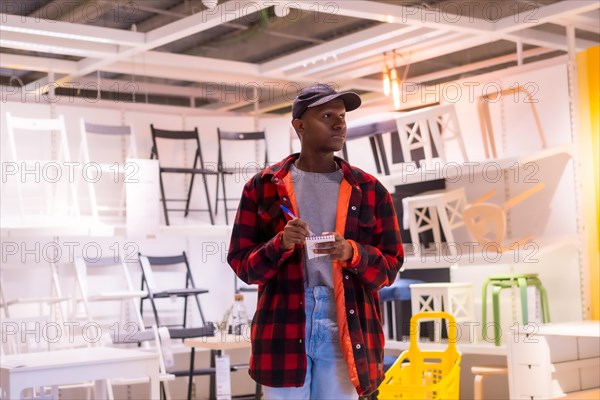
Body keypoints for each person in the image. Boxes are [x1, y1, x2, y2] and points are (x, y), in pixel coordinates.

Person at [227, 83, 404, 399]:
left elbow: (390, 267)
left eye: (341, 116)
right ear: (300, 125)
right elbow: (242, 264)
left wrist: (352, 251)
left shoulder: (371, 191)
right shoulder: (264, 187)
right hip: (283, 323)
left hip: (347, 324)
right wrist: (278, 245)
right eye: (326, 116)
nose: (339, 124)